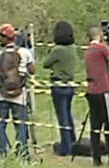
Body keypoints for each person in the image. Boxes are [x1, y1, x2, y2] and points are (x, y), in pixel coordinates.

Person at [0, 23, 35, 160]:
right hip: (19, 94)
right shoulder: (25, 53)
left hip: (2, 95)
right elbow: (32, 70)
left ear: (4, 38)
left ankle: (1, 153)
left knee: (1, 124)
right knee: (20, 125)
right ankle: (22, 153)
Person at [85, 25, 109, 165]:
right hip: (103, 90)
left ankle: (96, 157)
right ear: (99, 35)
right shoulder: (102, 48)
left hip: (91, 90)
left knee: (95, 125)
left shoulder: (87, 50)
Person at [42, 21, 77, 157]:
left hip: (59, 85)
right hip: (70, 84)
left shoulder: (57, 50)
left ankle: (65, 147)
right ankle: (72, 141)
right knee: (68, 114)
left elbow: (46, 63)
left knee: (62, 117)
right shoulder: (72, 48)